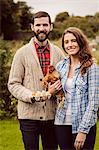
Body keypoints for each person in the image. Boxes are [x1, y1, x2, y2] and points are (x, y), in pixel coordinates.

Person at [8, 11, 65, 150]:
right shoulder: (21, 53)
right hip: (28, 116)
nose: (41, 28)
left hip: (53, 115)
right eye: (38, 25)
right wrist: (34, 96)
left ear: (50, 26)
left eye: (45, 24)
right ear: (32, 27)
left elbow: (65, 80)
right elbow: (13, 84)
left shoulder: (59, 53)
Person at [48, 27, 99, 150]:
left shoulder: (91, 67)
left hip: (82, 124)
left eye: (73, 41)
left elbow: (94, 102)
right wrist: (52, 90)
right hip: (61, 123)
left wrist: (83, 131)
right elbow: (59, 93)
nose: (70, 45)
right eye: (66, 42)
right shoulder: (61, 66)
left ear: (80, 42)